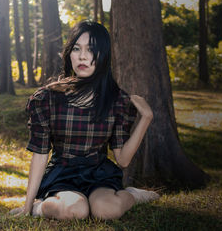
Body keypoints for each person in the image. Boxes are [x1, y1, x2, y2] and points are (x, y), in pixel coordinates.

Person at [10, 21, 159, 220]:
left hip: (99, 174)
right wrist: (28, 206)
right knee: (76, 211)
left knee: (107, 211)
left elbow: (122, 160)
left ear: (104, 55)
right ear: (69, 53)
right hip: (63, 174)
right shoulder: (47, 99)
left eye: (91, 50)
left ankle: (132, 194)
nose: (82, 56)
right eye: (76, 49)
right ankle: (41, 207)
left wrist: (146, 118)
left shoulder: (117, 101)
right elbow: (40, 155)